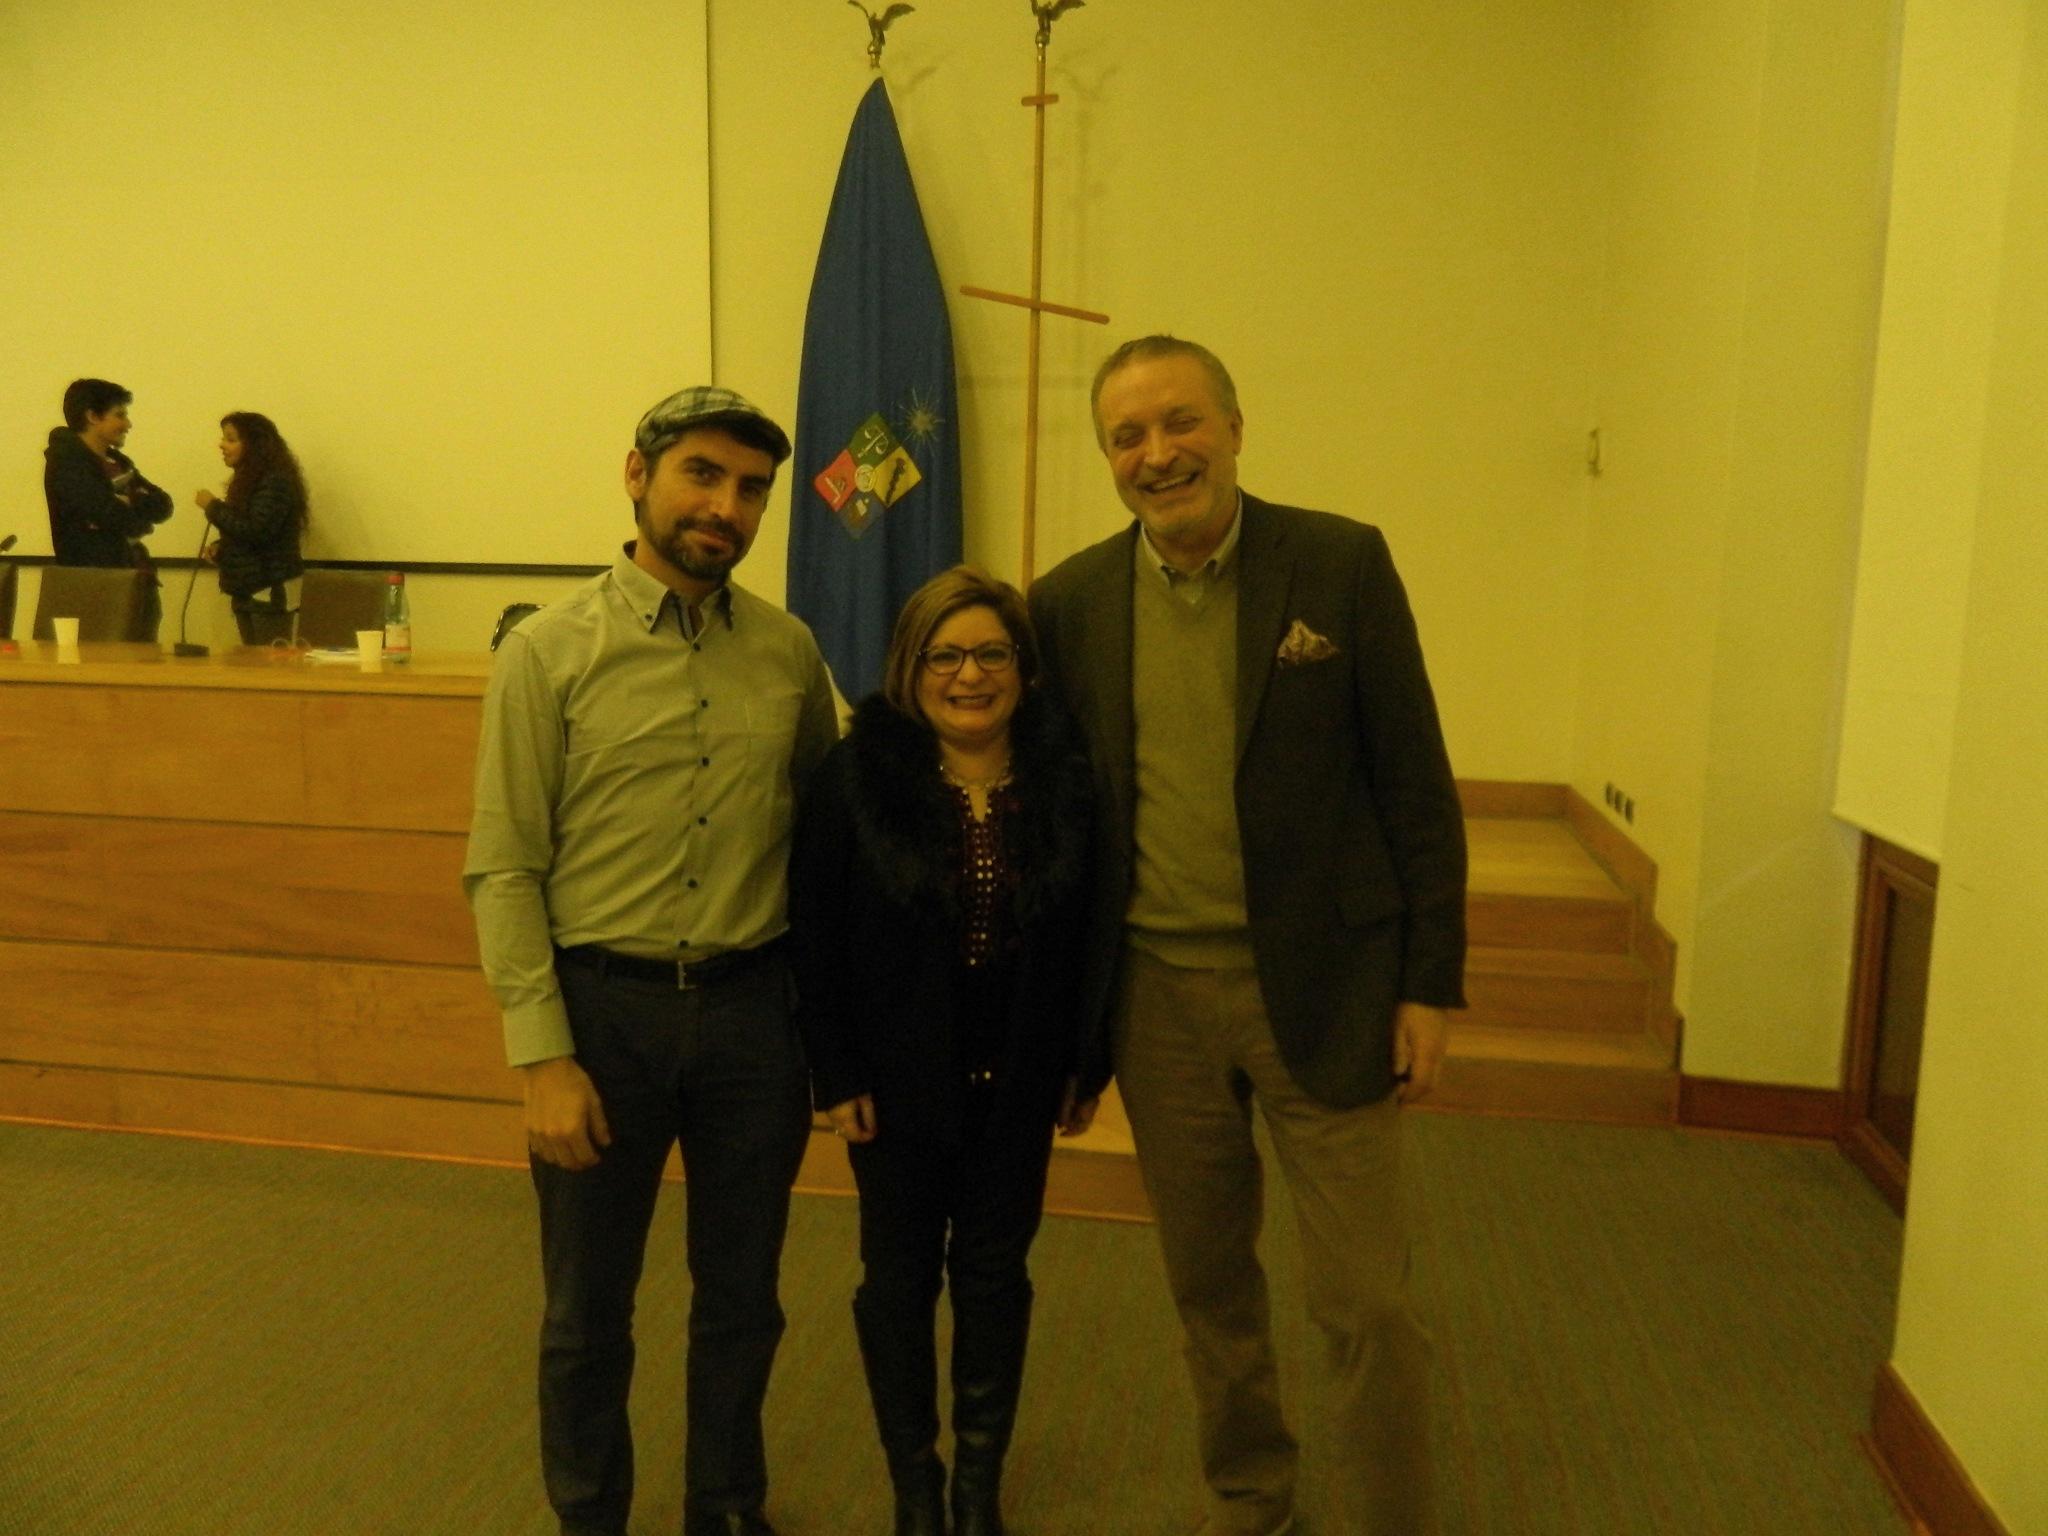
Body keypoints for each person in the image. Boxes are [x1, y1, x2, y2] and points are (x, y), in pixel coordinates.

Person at [1027, 336, 1468, 1536]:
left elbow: (1412, 781)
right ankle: (1249, 1497)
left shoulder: (1337, 563)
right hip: (1154, 998)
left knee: (1366, 1301)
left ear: (1232, 425)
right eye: (1127, 435)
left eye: (1179, 422)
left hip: (1324, 986)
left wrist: (1427, 983)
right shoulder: (1067, 603)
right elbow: (1060, 827)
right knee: (1208, 1284)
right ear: (1108, 456)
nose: (1157, 453)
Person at [463, 386, 839, 1536]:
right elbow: (505, 867)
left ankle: (725, 1506)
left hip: (749, 1030)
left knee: (742, 1302)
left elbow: (827, 850)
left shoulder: (787, 653)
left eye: (751, 489)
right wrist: (541, 1058)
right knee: (587, 1312)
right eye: (702, 475)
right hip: (600, 1022)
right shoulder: (546, 652)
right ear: (638, 475)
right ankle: (590, 1516)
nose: (725, 506)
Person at [789, 567, 1099, 1536]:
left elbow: (1090, 932)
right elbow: (813, 938)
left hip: (1019, 1080)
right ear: (909, 668)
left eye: (991, 653)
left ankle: (974, 1485)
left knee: (995, 1278)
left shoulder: (1066, 776)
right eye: (945, 655)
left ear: (1022, 667)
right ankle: (912, 1484)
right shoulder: (854, 781)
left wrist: (1085, 1065)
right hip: (894, 1087)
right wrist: (834, 1076)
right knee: (896, 1282)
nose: (969, 675)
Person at [43, 378, 174, 639]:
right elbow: (111, 515)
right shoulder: (68, 463)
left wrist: (130, 503)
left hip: (136, 576)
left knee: (143, 663)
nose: (128, 424)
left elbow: (163, 504)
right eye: (120, 415)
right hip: (94, 584)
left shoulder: (117, 461)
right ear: (93, 416)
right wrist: (137, 517)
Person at [195, 412, 308, 645]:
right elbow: (243, 529)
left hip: (269, 588)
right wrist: (221, 548)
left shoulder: (275, 481)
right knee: (251, 664)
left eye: (231, 439)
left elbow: (258, 531)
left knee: (271, 667)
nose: (221, 445)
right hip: (246, 587)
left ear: (255, 445)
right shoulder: (248, 480)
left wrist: (213, 507)